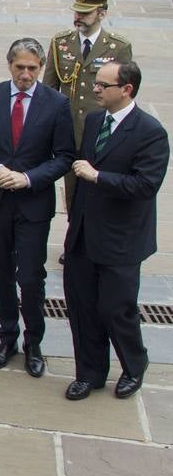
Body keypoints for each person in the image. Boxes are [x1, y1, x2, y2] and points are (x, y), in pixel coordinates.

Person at [0, 39, 74, 379]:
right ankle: (7, 337)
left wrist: (28, 178)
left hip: (33, 204)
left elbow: (65, 156)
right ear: (10, 65)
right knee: (2, 274)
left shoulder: (56, 104)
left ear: (41, 69)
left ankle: (34, 343)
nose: (25, 74)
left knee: (32, 277)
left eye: (32, 69)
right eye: (20, 67)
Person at [62, 60, 169, 402]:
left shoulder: (150, 132)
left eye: (103, 85)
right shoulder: (94, 121)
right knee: (82, 307)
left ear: (126, 90)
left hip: (121, 241)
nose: (95, 89)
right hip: (84, 235)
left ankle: (134, 364)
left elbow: (145, 184)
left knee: (114, 309)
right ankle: (89, 374)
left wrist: (98, 176)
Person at [42, 0, 134, 209]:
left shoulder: (118, 47)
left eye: (85, 13)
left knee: (101, 192)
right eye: (77, 12)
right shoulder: (61, 43)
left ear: (101, 14)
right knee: (72, 194)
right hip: (70, 132)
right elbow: (49, 90)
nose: (79, 17)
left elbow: (125, 94)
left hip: (103, 133)